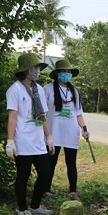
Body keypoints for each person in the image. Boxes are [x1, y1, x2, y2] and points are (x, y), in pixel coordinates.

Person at [6, 52, 55, 215]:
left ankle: (35, 206)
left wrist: (49, 137)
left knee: (46, 174)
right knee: (23, 175)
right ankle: (21, 209)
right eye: (34, 68)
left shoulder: (39, 89)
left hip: (38, 140)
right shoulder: (15, 90)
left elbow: (43, 115)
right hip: (22, 140)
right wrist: (10, 141)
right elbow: (12, 116)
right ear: (25, 70)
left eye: (38, 68)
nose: (37, 71)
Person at [44, 59, 89, 200]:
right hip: (53, 132)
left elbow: (78, 113)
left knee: (71, 163)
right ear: (57, 73)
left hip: (70, 132)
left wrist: (84, 128)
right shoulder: (48, 90)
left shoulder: (74, 91)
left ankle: (73, 191)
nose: (67, 74)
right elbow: (42, 113)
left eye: (69, 72)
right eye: (64, 71)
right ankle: (46, 189)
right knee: (51, 162)